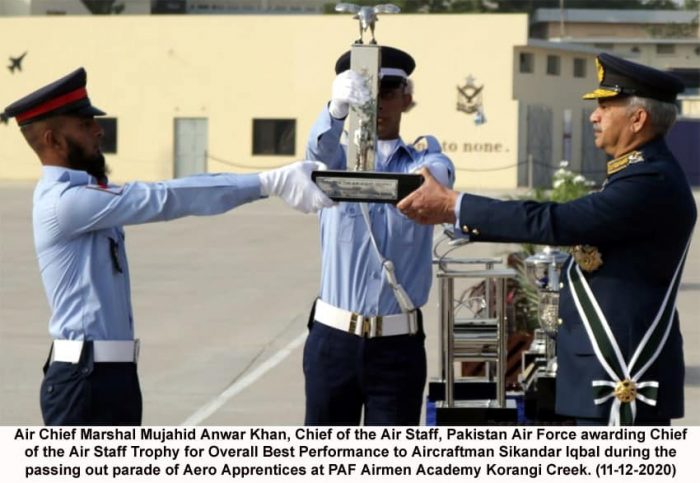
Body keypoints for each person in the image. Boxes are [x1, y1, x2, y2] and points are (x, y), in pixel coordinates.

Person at [3, 67, 333, 425]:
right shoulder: (64, 203)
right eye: (84, 125)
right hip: (85, 380)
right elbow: (167, 198)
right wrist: (268, 182)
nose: (98, 130)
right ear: (53, 140)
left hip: (109, 374)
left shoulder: (84, 194)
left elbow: (177, 190)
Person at [398, 53, 696, 426]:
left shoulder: (649, 182)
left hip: (620, 372)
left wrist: (455, 205)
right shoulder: (638, 174)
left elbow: (558, 221)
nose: (594, 115)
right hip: (599, 371)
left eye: (605, 106)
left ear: (638, 119)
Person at [304, 46, 455, 425]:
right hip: (333, 339)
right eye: (366, 96)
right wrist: (336, 110)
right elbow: (316, 149)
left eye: (387, 93)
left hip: (396, 345)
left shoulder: (423, 160)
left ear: (406, 97)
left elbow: (437, 180)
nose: (377, 106)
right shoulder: (334, 160)